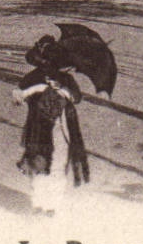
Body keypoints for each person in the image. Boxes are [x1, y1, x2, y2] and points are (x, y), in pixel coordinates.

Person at [14, 35, 90, 216]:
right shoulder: (34, 77)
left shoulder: (65, 78)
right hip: (39, 128)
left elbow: (76, 97)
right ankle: (39, 203)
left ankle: (51, 206)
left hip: (61, 127)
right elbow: (17, 94)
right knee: (39, 163)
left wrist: (60, 89)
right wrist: (34, 90)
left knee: (57, 164)